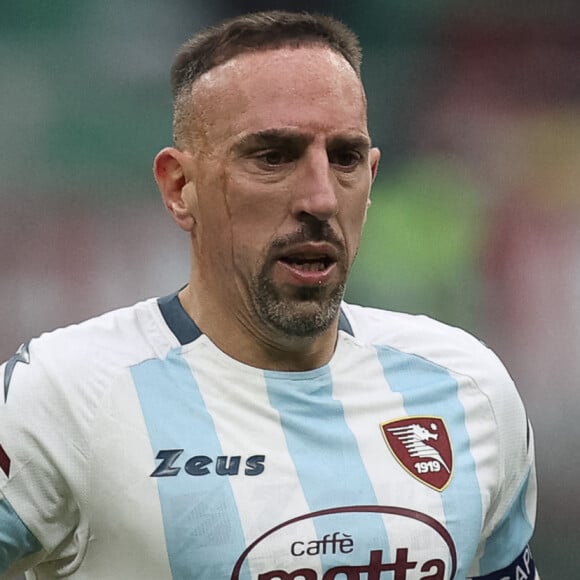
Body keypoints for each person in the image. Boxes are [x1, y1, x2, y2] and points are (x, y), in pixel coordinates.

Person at [0, 10, 539, 580]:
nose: (321, 198)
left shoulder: (469, 388)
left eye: (345, 158)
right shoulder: (64, 396)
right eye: (273, 157)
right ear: (180, 188)